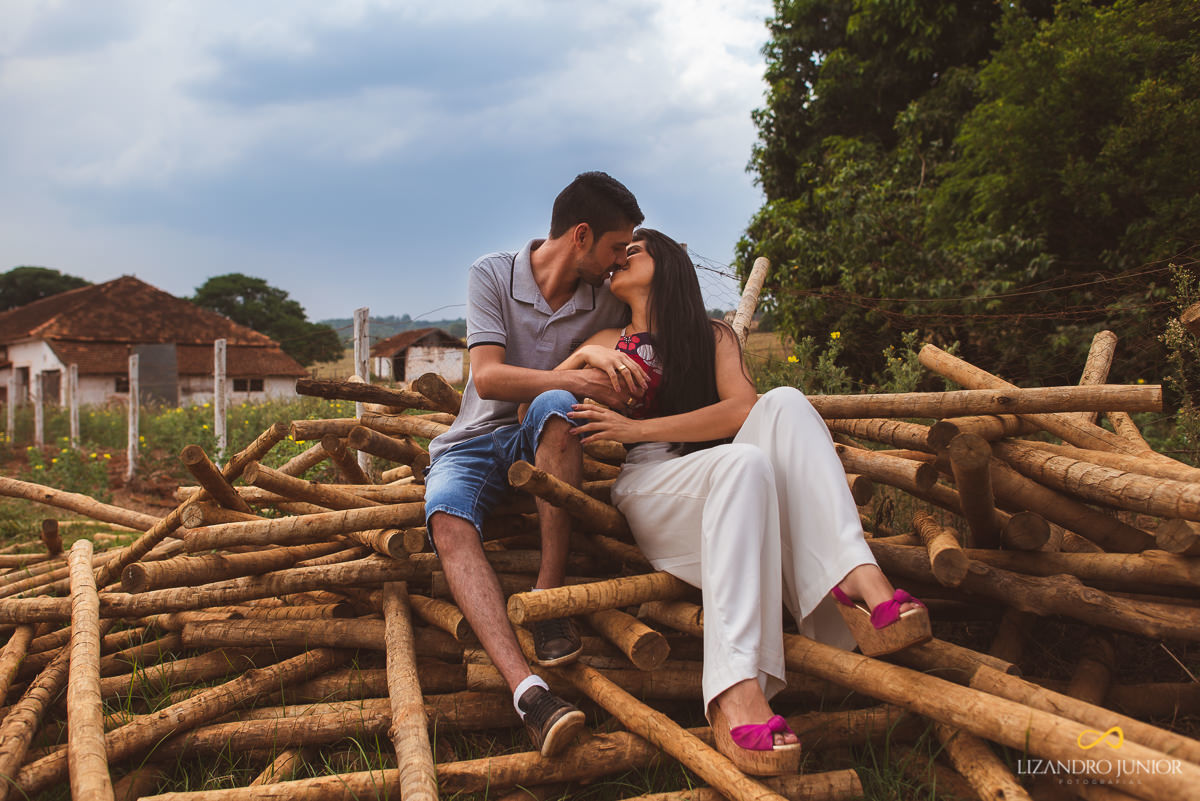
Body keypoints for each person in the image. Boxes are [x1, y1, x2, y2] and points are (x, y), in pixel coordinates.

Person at [562, 228, 931, 776]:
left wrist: (635, 426)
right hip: (656, 489)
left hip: (731, 481)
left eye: (631, 252)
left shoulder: (709, 337)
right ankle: (734, 691)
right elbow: (537, 410)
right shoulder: (607, 339)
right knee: (744, 463)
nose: (617, 261)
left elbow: (741, 411)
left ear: (665, 264)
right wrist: (588, 354)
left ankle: (857, 576)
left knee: (783, 401)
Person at [423, 171, 649, 758]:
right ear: (580, 235)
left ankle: (548, 599)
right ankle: (528, 692)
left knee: (552, 404)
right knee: (446, 518)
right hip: (473, 440)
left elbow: (627, 368)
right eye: (614, 246)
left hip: (544, 432)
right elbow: (489, 376)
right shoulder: (491, 273)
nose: (620, 259)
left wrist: (582, 366)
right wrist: (576, 371)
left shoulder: (607, 295)